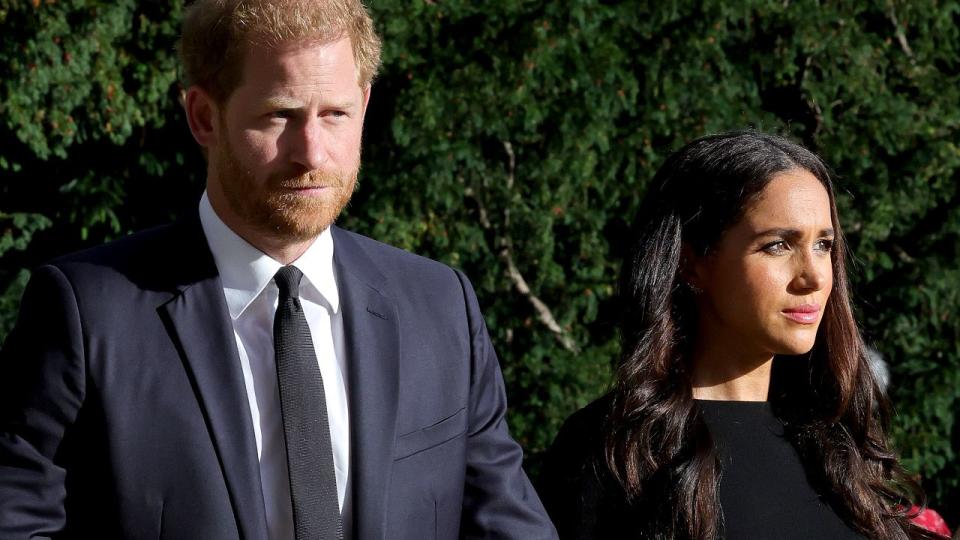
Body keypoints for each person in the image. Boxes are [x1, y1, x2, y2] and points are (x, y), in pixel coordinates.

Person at [0, 1, 557, 538]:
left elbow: (503, 521)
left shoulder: (440, 307)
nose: (311, 153)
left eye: (335, 115)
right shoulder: (87, 311)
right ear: (202, 116)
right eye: (279, 116)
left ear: (364, 105)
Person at [539, 131, 938, 539]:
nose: (815, 276)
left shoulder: (839, 444)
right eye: (778, 245)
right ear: (692, 263)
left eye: (823, 245)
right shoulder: (615, 451)